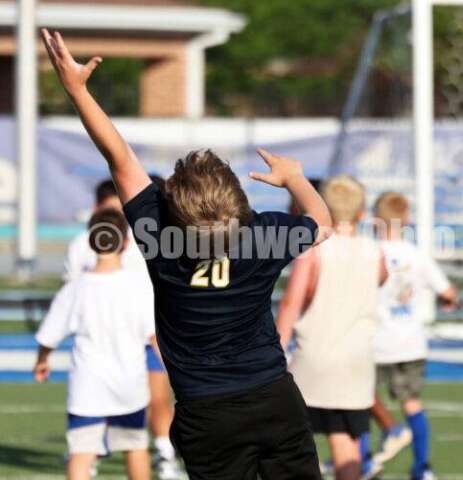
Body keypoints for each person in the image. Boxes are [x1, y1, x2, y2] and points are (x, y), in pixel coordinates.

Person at [42, 29, 332, 479]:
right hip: (273, 397)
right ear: (238, 201)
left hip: (205, 410)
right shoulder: (263, 235)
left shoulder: (158, 237)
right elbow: (323, 223)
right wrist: (294, 178)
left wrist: (77, 90)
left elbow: (117, 156)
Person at [63, 176, 182, 478]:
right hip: (106, 339)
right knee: (99, 400)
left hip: (145, 330)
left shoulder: (142, 240)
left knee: (156, 397)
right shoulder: (81, 246)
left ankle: (165, 452)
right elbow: (74, 292)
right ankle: (90, 454)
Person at [276, 174, 388, 480]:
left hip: (314, 360)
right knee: (346, 446)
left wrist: (276, 348)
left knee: (293, 444)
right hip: (355, 363)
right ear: (362, 211)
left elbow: (291, 304)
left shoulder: (314, 250)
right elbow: (381, 279)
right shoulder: (374, 250)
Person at [34, 209, 155, 480]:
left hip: (87, 388)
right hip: (129, 385)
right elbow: (155, 336)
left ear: (90, 242)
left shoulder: (77, 287)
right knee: (135, 448)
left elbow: (49, 333)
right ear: (125, 242)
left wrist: (42, 360)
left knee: (82, 453)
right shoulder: (140, 286)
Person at [370, 191, 458, 480]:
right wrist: (447, 301)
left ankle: (362, 460)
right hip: (410, 344)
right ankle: (422, 467)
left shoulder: (370, 252)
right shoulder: (416, 255)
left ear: (375, 220)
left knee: (359, 401)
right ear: (406, 220)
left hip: (375, 342)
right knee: (412, 404)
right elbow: (448, 292)